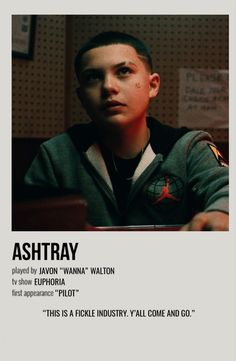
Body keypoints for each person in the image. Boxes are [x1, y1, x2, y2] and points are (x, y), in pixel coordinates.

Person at [24, 31, 229, 230]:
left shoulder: (189, 148)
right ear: (82, 97)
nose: (108, 87)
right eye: (93, 77)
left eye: (123, 71)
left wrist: (222, 213)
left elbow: (226, 188)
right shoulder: (55, 155)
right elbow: (27, 222)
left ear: (153, 85)